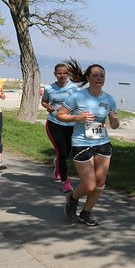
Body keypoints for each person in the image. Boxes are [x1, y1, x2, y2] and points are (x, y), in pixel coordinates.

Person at [56, 59, 119, 226]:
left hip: (103, 142)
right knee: (89, 185)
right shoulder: (77, 96)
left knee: (100, 183)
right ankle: (73, 197)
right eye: (96, 75)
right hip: (81, 142)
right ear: (89, 78)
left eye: (102, 75)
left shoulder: (110, 99)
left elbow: (114, 126)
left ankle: (86, 213)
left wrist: (114, 119)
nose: (99, 78)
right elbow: (60, 115)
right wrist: (78, 117)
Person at [41, 62, 78, 192]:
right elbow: (44, 102)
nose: (62, 76)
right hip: (54, 123)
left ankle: (57, 165)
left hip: (71, 124)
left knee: (66, 153)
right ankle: (65, 182)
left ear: (68, 74)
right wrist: (48, 107)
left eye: (64, 73)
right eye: (59, 73)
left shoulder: (75, 89)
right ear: (55, 74)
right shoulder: (49, 88)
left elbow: (80, 103)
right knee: (62, 152)